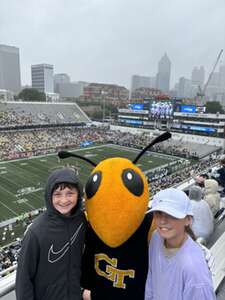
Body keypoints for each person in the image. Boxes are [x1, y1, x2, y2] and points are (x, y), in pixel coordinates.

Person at [16, 168, 86, 300]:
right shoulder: (36, 232)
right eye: (57, 194)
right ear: (49, 195)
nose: (64, 200)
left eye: (70, 193)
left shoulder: (82, 220)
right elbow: (23, 280)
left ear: (78, 194)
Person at [145, 188, 216, 300]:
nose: (162, 221)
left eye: (171, 214)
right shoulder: (156, 237)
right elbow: (151, 279)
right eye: (159, 213)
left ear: (188, 220)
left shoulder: (195, 272)